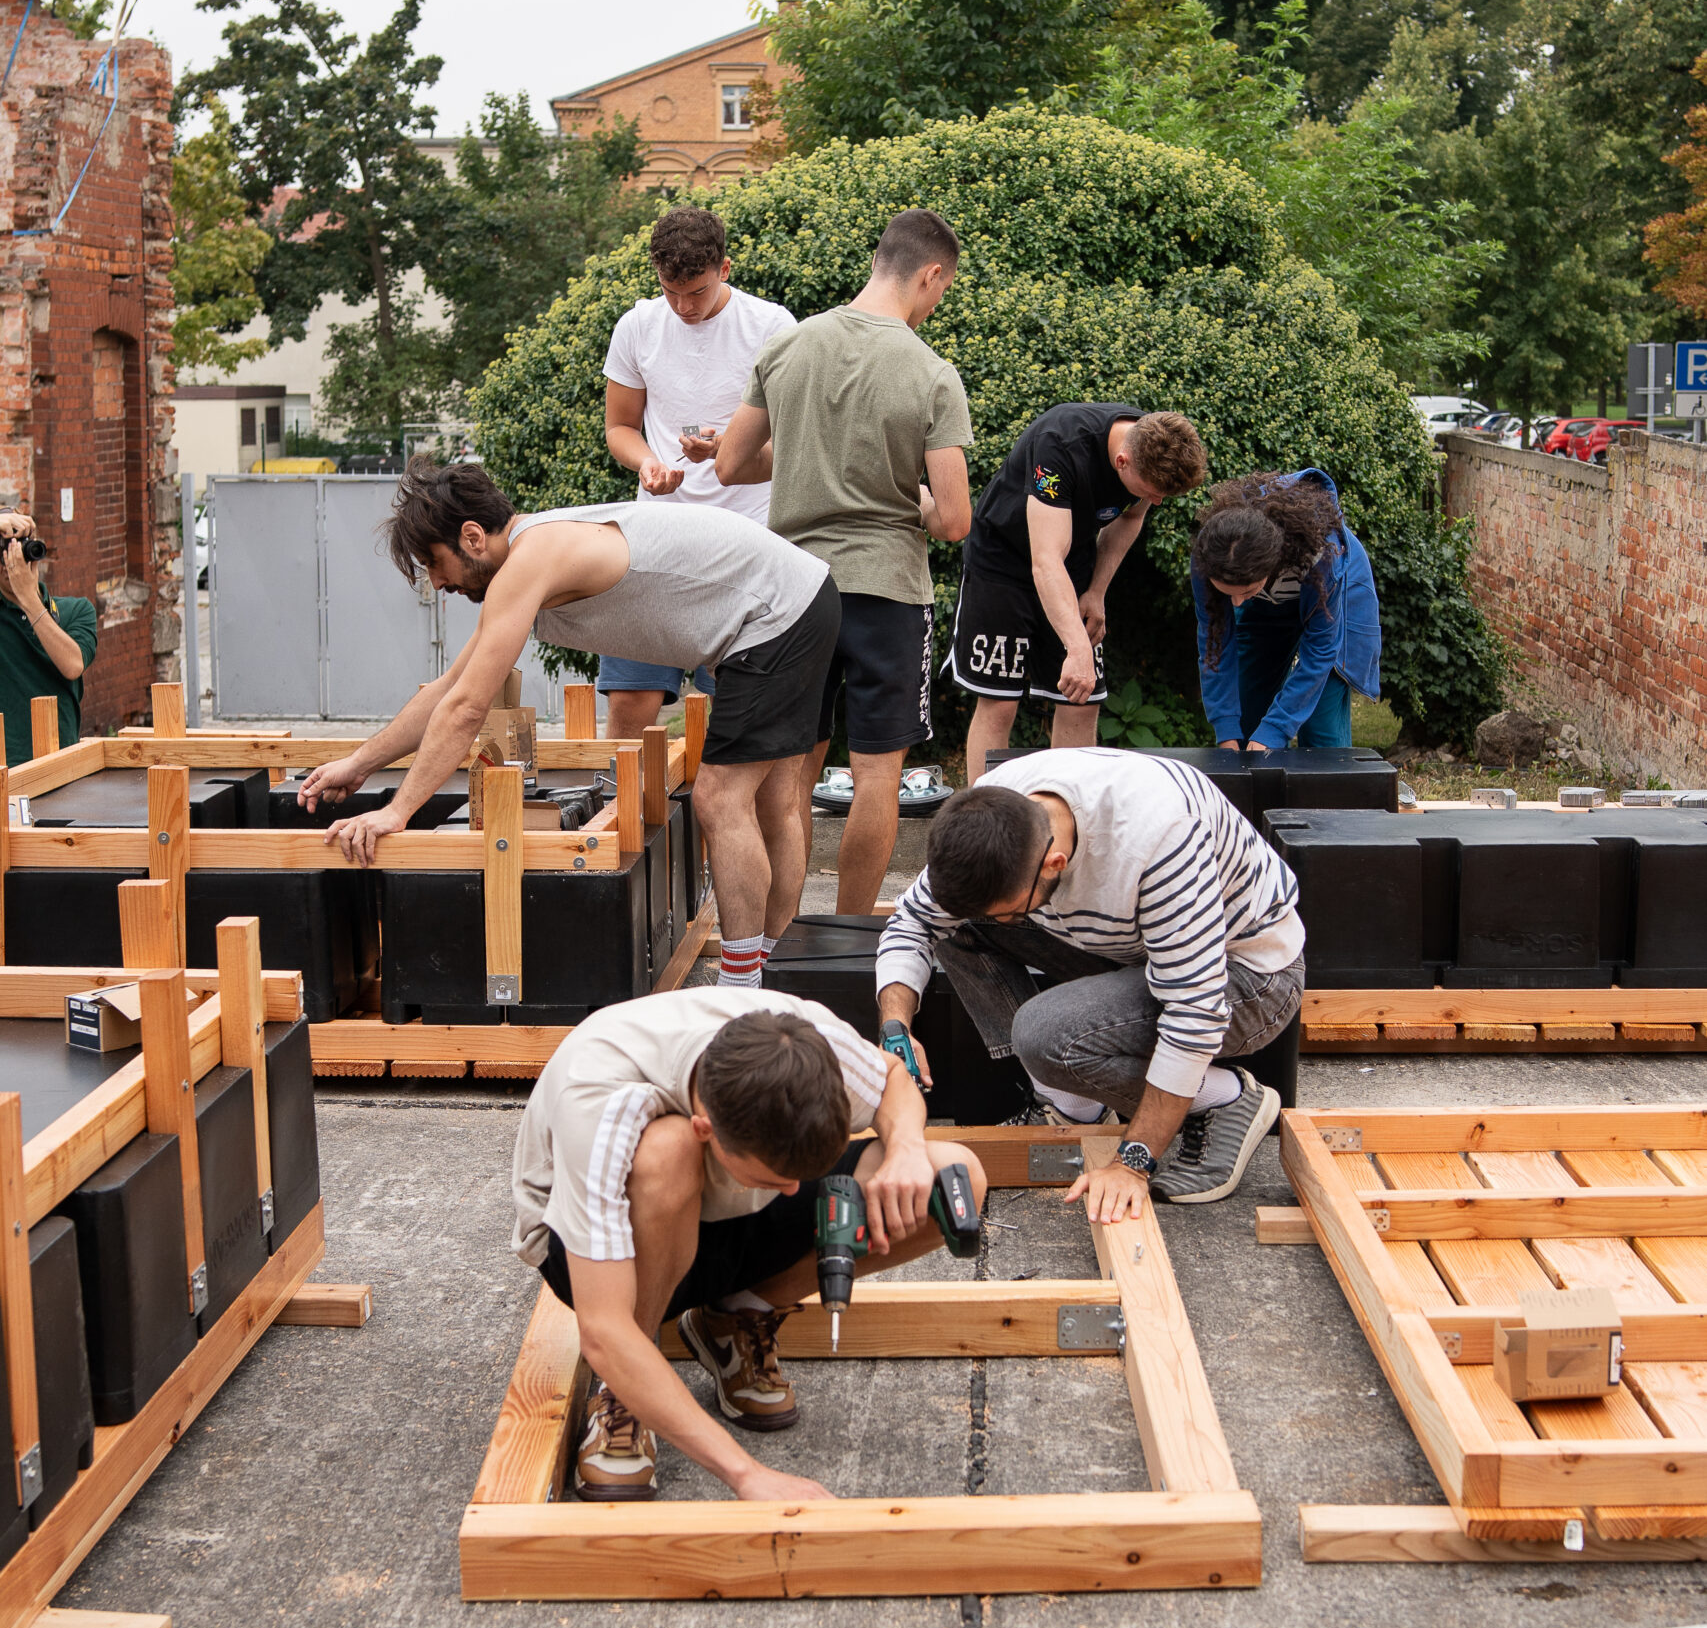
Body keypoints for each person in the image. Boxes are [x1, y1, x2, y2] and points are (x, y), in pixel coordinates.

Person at [297, 460, 840, 991]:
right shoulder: (532, 554)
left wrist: (398, 810)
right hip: (796, 596)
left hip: (776, 615)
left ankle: (744, 984)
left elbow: (466, 709)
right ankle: (772, 967)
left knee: (721, 800)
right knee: (771, 802)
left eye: (436, 562)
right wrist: (359, 764)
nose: (438, 582)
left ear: (471, 536)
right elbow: (448, 690)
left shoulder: (532, 559)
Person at [511, 987, 988, 1499]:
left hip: (723, 1217)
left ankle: (735, 1317)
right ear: (706, 1128)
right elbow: (601, 1329)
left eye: (797, 1179)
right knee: (664, 1155)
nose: (792, 1192)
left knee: (953, 1178)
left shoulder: (808, 1041)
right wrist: (747, 1474)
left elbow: (893, 1076)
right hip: (608, 1244)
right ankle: (625, 1392)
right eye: (775, 1178)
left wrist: (908, 1149)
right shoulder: (600, 1099)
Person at [875, 746, 1303, 1214]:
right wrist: (896, 1025)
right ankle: (1070, 1104)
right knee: (961, 925)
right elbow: (914, 920)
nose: (1010, 920)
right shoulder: (998, 808)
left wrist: (1132, 1162)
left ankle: (1227, 1099)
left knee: (1046, 1035)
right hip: (1136, 949)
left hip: (1246, 977)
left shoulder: (1158, 839)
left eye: (1015, 910)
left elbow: (1194, 1012)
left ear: (1054, 864)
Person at [715, 209, 973, 912]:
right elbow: (953, 519)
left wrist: (802, 456)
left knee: (789, 774)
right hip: (886, 590)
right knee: (876, 776)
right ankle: (853, 935)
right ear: (930, 274)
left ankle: (786, 931)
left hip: (794, 591)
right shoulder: (929, 373)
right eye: (940, 290)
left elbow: (733, 463)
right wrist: (913, 498)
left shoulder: (788, 347)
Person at [599, 204, 795, 739]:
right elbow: (620, 427)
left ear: (725, 269)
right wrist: (649, 464)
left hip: (748, 539)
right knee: (629, 703)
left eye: (698, 292)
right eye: (670, 290)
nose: (683, 305)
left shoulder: (772, 326)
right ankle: (621, 820)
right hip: (658, 537)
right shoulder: (637, 326)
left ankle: (715, 821)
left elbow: (797, 435)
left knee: (731, 712)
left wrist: (729, 451)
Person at [947, 406, 1208, 780]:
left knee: (1081, 699)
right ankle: (984, 823)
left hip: (1073, 563)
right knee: (1000, 701)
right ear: (1122, 461)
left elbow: (1131, 517)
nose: (1159, 502)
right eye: (1153, 492)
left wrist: (1097, 590)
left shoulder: (1151, 441)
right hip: (1002, 563)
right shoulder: (1060, 447)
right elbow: (1046, 561)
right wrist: (1078, 647)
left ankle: (1068, 811)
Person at [1190, 469, 1381, 752]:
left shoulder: (1325, 556)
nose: (1237, 605)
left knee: (1320, 730)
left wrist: (1276, 729)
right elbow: (1214, 640)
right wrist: (1226, 729)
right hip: (1266, 604)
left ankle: (1324, 793)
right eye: (1227, 593)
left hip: (1335, 601)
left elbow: (1320, 652)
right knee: (1244, 723)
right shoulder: (1211, 554)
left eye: (1246, 592)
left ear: (1272, 565)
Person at [0, 509, 97, 765]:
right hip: (4, 772)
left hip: (60, 768)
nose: (10, 561)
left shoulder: (76, 611)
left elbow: (73, 665)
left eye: (17, 549)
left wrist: (29, 599)